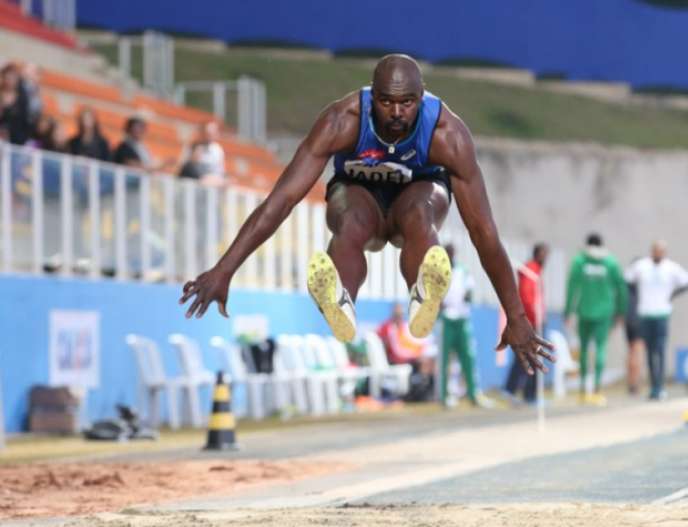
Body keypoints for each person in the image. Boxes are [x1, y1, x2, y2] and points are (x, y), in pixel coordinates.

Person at [179, 54, 554, 376]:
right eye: (387, 102)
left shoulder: (447, 134)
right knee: (348, 220)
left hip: (417, 197)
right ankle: (340, 296)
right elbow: (281, 201)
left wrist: (516, 315)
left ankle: (423, 289)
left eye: (406, 103)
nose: (395, 113)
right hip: (362, 200)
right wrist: (225, 269)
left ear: (421, 99)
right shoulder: (342, 120)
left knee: (421, 216)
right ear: (372, 98)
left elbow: (483, 231)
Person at [564, 233, 627, 406]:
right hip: (605, 312)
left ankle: (583, 390)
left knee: (584, 349)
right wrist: (621, 310)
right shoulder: (610, 262)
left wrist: (568, 311)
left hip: (584, 310)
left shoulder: (580, 261)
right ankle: (598, 389)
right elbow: (621, 287)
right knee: (600, 348)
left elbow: (572, 286)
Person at [625, 240, 688, 401]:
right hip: (645, 313)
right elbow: (627, 279)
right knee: (648, 351)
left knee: (660, 350)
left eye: (660, 251)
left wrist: (672, 295)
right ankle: (653, 386)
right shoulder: (642, 266)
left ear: (665, 252)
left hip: (662, 313)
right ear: (651, 251)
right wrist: (637, 295)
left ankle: (660, 386)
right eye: (655, 251)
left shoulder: (671, 267)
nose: (657, 254)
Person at [438, 243, 489, 407]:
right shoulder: (439, 272)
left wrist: (466, 296)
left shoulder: (463, 270)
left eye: (452, 252)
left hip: (462, 319)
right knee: (445, 360)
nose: (450, 255)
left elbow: (469, 291)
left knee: (468, 357)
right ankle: (445, 397)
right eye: (448, 253)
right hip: (446, 321)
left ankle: (474, 394)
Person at [504, 242, 549, 404]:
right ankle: (527, 394)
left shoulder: (535, 270)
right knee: (531, 357)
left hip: (532, 321)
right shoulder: (531, 271)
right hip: (531, 322)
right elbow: (528, 298)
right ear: (537, 254)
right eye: (543, 254)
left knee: (526, 357)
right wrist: (535, 320)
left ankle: (514, 391)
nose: (546, 258)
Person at [377, 303, 435, 401]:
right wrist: (416, 355)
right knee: (423, 362)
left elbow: (410, 343)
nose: (399, 317)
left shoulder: (403, 327)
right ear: (393, 314)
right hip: (395, 359)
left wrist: (420, 351)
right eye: (397, 315)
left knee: (429, 360)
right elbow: (397, 351)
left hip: (406, 357)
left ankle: (428, 390)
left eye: (401, 315)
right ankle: (422, 393)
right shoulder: (389, 328)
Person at [625, 258, 645, 396]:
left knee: (631, 351)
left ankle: (630, 382)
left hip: (628, 318)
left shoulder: (627, 282)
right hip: (639, 317)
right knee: (638, 351)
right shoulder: (643, 282)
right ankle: (635, 383)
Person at [0, 63, 33, 145]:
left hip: (15, 140)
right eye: (7, 77)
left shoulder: (23, 99)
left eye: (13, 77)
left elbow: (24, 123)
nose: (10, 80)